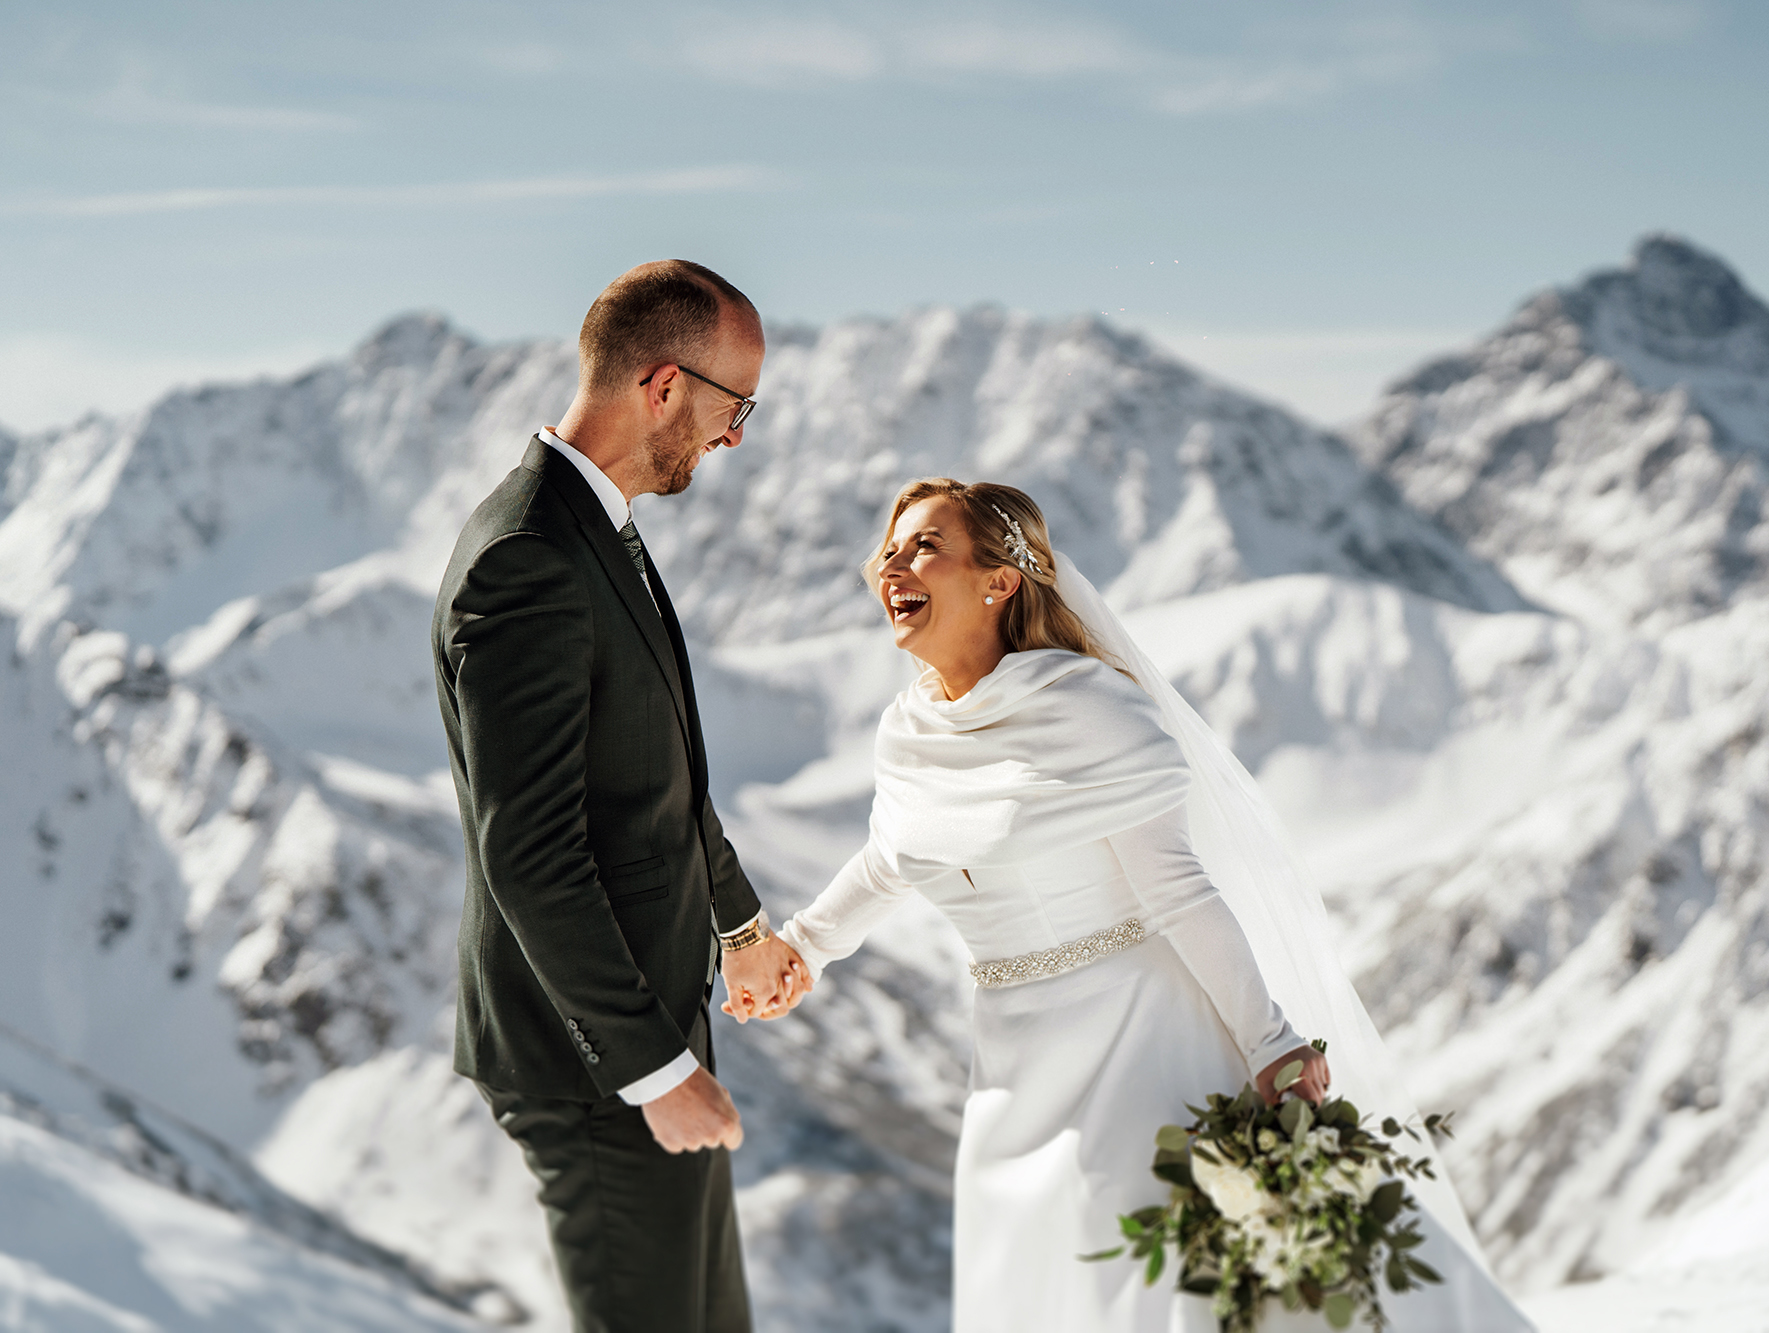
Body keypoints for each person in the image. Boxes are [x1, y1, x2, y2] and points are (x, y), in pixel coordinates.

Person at [755, 478, 1535, 1332]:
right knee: (1040, 1284)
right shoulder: (906, 730)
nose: (892, 565)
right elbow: (891, 859)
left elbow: (1177, 886)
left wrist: (1271, 1042)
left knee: (1150, 1285)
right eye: (891, 548)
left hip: (1137, 1042)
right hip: (1010, 1065)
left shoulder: (1090, 706)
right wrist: (803, 947)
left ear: (999, 580)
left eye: (924, 546)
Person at [431, 260, 809, 1333]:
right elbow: (532, 855)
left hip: (654, 1021)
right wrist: (650, 1071)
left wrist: (736, 922)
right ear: (662, 385)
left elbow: (657, 777)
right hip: (593, 1064)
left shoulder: (592, 528)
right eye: (734, 407)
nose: (734, 437)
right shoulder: (527, 560)